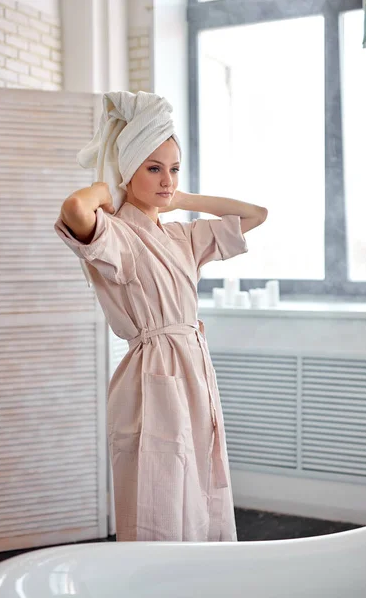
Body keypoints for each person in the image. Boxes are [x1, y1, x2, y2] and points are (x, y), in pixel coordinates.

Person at [54, 91, 268, 542]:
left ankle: (196, 581)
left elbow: (256, 215)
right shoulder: (117, 233)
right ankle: (153, 582)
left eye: (174, 168)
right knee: (159, 487)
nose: (167, 179)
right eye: (154, 168)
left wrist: (181, 196)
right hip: (153, 372)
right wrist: (108, 190)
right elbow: (75, 209)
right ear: (129, 170)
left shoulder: (182, 237)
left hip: (193, 369)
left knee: (200, 484)